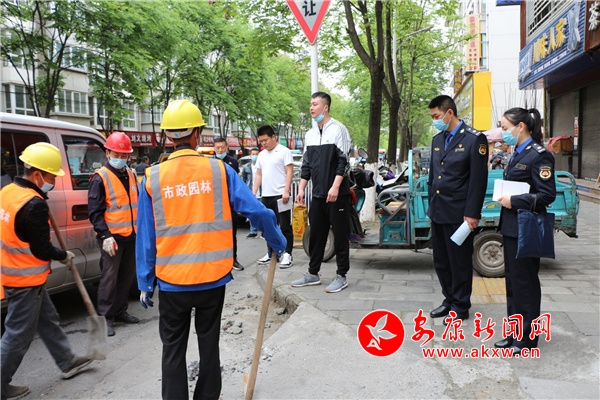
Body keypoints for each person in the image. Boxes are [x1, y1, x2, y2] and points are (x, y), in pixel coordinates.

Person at [136, 99, 286, 400]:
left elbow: (146, 238)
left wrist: (145, 282)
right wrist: (277, 241)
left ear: (167, 136)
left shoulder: (152, 178)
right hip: (211, 279)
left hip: (172, 282)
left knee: (172, 349)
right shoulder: (219, 171)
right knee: (208, 345)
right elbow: (257, 211)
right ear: (197, 134)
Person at [1, 143, 92, 400]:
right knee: (18, 334)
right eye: (52, 177)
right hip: (25, 280)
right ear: (37, 174)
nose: (53, 181)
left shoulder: (8, 191)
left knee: (48, 319)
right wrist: (63, 255)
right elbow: (41, 249)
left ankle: (66, 361)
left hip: (15, 273)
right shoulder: (34, 204)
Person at [495, 107, 556, 356]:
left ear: (520, 127)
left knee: (526, 283)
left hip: (526, 228)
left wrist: (515, 200)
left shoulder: (539, 155)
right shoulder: (516, 153)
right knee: (512, 282)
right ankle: (514, 332)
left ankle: (527, 338)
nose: (503, 132)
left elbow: (547, 195)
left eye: (505, 128)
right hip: (511, 227)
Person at [427, 95, 488, 323]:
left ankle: (461, 306)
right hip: (439, 210)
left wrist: (472, 213)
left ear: (449, 113)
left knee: (459, 262)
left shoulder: (474, 139)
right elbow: (434, 176)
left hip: (460, 213)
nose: (435, 120)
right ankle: (449, 300)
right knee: (441, 261)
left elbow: (478, 180)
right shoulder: (437, 139)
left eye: (436, 116)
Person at [291, 91, 353, 293]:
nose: (311, 107)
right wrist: (301, 189)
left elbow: (344, 161)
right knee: (317, 234)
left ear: (325, 107)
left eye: (315, 104)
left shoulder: (338, 129)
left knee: (340, 235)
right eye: (310, 104)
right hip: (317, 194)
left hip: (337, 194)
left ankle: (341, 275)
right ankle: (313, 273)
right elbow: (306, 165)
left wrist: (335, 186)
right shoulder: (310, 134)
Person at [88, 132, 140, 337]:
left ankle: (120, 311)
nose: (120, 158)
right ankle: (106, 318)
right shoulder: (99, 178)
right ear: (107, 153)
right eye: (117, 154)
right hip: (112, 238)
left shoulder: (131, 174)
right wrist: (104, 235)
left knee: (127, 277)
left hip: (131, 235)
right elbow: (95, 212)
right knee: (109, 278)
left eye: (124, 155)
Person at [253, 125, 294, 268]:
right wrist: (254, 192)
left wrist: (286, 190)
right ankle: (271, 253)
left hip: (281, 195)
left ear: (273, 137)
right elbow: (259, 174)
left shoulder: (284, 151)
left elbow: (289, 171)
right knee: (269, 226)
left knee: (284, 226)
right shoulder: (261, 155)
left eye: (265, 140)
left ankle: (287, 254)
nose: (263, 143)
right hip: (266, 195)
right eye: (261, 141)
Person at [213, 137, 244, 271]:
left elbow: (236, 184)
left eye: (222, 147)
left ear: (226, 147)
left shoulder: (233, 162)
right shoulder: (209, 163)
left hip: (230, 203)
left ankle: (233, 259)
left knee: (232, 232)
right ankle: (217, 260)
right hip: (214, 204)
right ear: (214, 148)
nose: (220, 150)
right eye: (217, 148)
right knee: (215, 233)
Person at [241, 147, 261, 238]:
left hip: (261, 192)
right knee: (252, 213)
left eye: (257, 154)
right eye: (253, 154)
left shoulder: (262, 166)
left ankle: (263, 231)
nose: (255, 156)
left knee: (262, 213)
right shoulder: (246, 167)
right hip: (251, 193)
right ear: (250, 155)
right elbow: (244, 179)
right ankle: (253, 231)